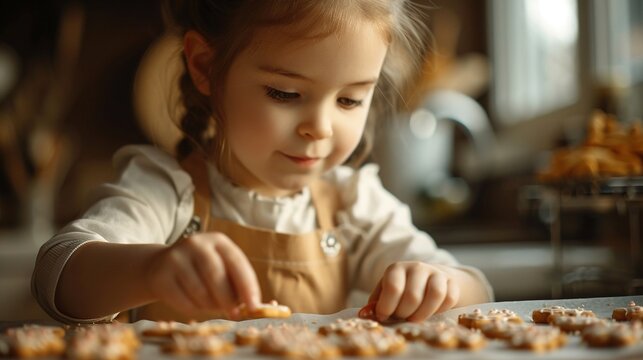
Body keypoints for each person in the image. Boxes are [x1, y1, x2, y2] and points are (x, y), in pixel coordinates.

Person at [32, 0, 493, 324]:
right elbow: (58, 275)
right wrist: (152, 268)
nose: (321, 127)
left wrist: (440, 283)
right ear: (205, 68)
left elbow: (479, 292)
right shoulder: (167, 190)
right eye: (285, 94)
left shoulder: (356, 205)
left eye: (351, 100)